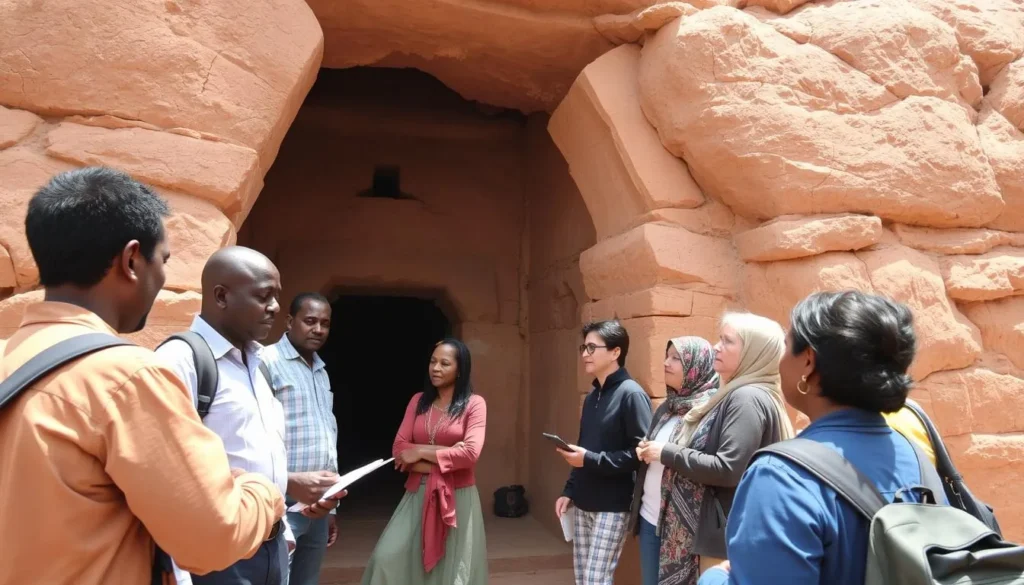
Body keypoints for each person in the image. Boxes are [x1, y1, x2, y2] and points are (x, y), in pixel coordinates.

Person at [0, 167, 284, 585]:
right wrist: (263, 490)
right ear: (132, 260)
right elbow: (212, 537)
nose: (163, 278)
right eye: (164, 260)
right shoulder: (127, 377)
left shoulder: (11, 359)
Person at [698, 291, 946, 585]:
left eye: (787, 345)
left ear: (807, 362)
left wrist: (714, 578)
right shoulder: (916, 459)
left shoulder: (781, 477)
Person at [156, 247, 343, 585]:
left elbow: (256, 458)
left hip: (269, 545)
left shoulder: (253, 364)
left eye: (276, 297)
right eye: (263, 296)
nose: (273, 307)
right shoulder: (181, 362)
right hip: (216, 556)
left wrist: (288, 502)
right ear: (221, 296)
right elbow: (164, 478)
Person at [637, 312, 795, 576]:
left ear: (753, 352)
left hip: (725, 533)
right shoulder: (736, 393)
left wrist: (666, 452)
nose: (716, 347)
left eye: (728, 341)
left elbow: (728, 467)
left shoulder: (746, 398)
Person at [362, 338, 488, 585]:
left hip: (458, 497)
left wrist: (418, 451)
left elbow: (470, 455)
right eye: (433, 362)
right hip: (416, 494)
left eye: (444, 363)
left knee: (451, 572)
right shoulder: (418, 401)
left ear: (460, 369)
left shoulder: (474, 404)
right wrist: (448, 453)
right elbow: (399, 452)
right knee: (386, 557)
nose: (436, 368)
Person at [556, 320, 653, 585]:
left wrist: (589, 459)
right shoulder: (592, 396)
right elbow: (583, 444)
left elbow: (640, 454)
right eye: (583, 348)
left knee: (596, 579)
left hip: (613, 505)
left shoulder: (631, 394)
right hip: (584, 501)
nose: (585, 354)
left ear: (615, 352)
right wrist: (569, 490)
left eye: (591, 347)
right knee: (583, 579)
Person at [262, 292, 340, 585]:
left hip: (319, 506)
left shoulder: (321, 371)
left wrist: (333, 506)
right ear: (289, 321)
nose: (318, 329)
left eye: (324, 323)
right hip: (281, 503)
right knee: (276, 578)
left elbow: (328, 434)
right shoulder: (266, 362)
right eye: (309, 321)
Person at [629, 337, 720, 585]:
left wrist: (664, 452)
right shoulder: (667, 407)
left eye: (676, 358)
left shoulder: (710, 411)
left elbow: (712, 464)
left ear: (696, 367)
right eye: (666, 356)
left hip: (686, 526)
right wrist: (645, 449)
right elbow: (655, 446)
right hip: (650, 516)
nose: (666, 363)